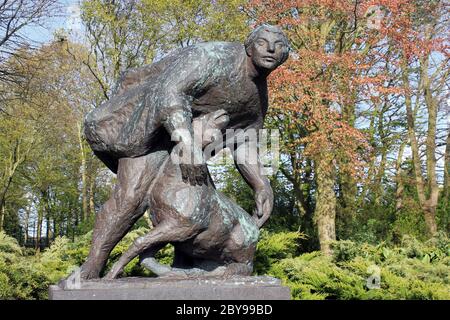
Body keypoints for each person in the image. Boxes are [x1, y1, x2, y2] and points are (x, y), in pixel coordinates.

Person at [80, 24, 289, 279]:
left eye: (278, 45)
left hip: (194, 144)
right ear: (248, 47)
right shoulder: (212, 57)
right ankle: (91, 268)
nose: (270, 48)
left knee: (197, 206)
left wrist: (260, 183)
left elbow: (244, 139)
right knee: (131, 198)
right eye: (263, 42)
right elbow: (169, 92)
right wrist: (187, 144)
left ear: (284, 56)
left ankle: (186, 270)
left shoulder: (257, 97)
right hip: (152, 128)